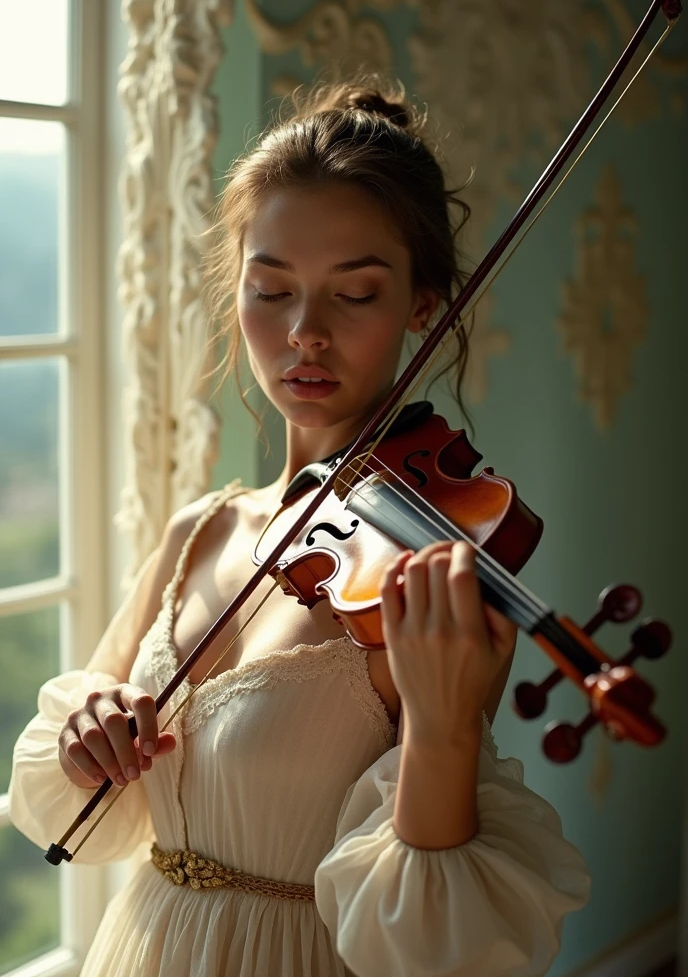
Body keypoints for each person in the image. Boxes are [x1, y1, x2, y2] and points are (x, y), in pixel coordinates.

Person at [9, 77, 591, 976]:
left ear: (423, 307)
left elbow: (434, 947)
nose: (305, 333)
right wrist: (92, 730)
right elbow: (84, 795)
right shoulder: (198, 534)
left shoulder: (426, 577)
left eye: (355, 295)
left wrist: (442, 727)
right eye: (271, 290)